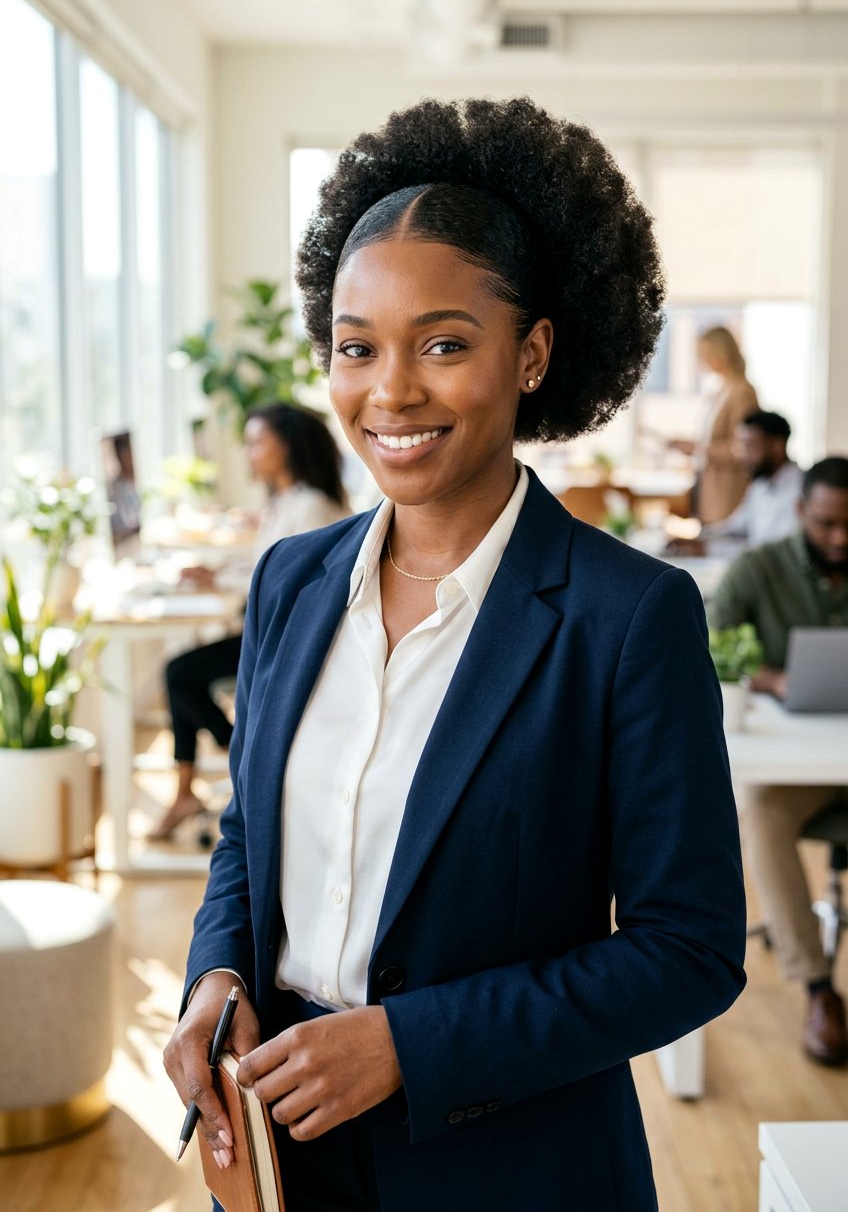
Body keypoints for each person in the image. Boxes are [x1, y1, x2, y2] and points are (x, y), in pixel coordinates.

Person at [164, 97, 746, 1211]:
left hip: (511, 1166)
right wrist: (216, 977)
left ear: (530, 354)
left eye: (442, 343)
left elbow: (689, 948)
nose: (389, 391)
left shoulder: (626, 617)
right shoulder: (292, 579)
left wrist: (410, 1043)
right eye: (355, 347)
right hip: (288, 1153)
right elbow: (249, 828)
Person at [149, 403, 349, 841]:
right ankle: (196, 783)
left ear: (288, 447)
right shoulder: (288, 500)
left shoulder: (311, 507)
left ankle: (246, 757)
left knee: (179, 673)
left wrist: (228, 584)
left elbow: (286, 586)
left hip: (286, 642)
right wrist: (219, 576)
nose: (249, 455)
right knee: (181, 670)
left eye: (258, 443)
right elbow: (268, 567)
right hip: (271, 630)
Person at [709, 456, 848, 1065]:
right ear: (801, 513)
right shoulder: (757, 570)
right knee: (762, 814)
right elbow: (708, 644)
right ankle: (818, 989)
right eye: (826, 525)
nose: (839, 539)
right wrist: (773, 680)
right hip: (799, 770)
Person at [667, 410, 802, 556]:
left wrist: (706, 548)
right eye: (742, 446)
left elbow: (769, 550)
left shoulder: (799, 489)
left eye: (750, 446)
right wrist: (697, 539)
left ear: (776, 446)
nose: (742, 456)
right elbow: (735, 528)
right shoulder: (760, 484)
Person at [669, 326, 759, 524]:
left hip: (727, 491)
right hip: (708, 488)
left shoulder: (742, 393)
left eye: (707, 354)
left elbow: (742, 449)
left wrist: (698, 448)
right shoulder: (720, 390)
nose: (704, 361)